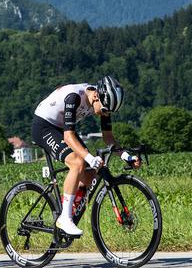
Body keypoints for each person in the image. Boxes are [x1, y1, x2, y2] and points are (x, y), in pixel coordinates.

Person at [31, 75, 141, 236]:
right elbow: (68, 137)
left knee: (89, 174)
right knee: (77, 163)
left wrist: (126, 156)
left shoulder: (104, 101)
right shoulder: (74, 97)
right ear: (96, 96)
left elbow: (108, 138)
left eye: (109, 112)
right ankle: (64, 218)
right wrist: (89, 157)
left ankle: (68, 211)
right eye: (104, 110)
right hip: (44, 126)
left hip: (62, 129)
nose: (104, 114)